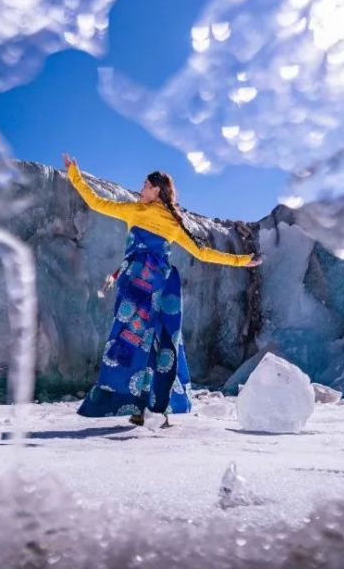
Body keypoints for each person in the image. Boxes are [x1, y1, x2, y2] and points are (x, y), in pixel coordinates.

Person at [62, 152, 262, 428]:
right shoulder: (172, 221)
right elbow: (203, 253)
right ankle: (156, 407)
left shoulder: (136, 211)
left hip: (135, 286)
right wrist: (243, 261)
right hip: (160, 286)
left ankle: (141, 405)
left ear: (156, 189)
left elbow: (95, 202)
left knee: (129, 342)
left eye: (145, 185)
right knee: (162, 343)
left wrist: (75, 174)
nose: (141, 189)